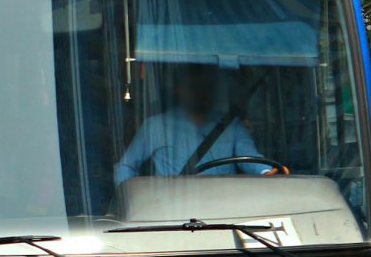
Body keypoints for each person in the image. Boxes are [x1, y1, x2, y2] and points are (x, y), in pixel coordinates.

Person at [114, 63, 273, 184]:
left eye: (205, 87)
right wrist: (138, 202)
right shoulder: (155, 126)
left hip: (223, 209)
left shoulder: (232, 125)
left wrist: (267, 173)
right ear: (178, 90)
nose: (199, 93)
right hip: (172, 212)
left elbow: (250, 159)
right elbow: (125, 167)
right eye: (193, 87)